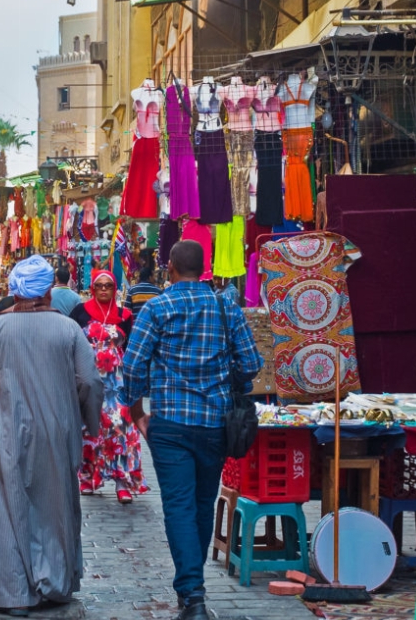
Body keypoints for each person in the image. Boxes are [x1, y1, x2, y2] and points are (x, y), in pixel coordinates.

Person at [0, 255, 103, 617]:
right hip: (58, 431)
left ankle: (15, 592)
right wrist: (89, 422)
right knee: (57, 506)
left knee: (10, 505)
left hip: (7, 432)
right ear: (49, 290)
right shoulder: (68, 329)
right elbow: (91, 382)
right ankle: (55, 584)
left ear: (14, 291)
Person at [121, 241, 263, 620]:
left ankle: (193, 594)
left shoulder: (157, 308)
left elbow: (133, 365)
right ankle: (192, 590)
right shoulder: (224, 306)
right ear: (205, 269)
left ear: (170, 268)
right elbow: (251, 362)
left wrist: (136, 410)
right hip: (214, 422)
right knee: (201, 505)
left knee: (179, 507)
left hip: (170, 423)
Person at [69, 270, 145, 502]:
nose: (104, 289)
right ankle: (87, 478)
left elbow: (132, 348)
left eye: (108, 286)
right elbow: (69, 343)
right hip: (88, 379)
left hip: (117, 383)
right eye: (99, 285)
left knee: (120, 430)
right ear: (93, 288)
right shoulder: (80, 312)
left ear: (114, 289)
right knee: (89, 429)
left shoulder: (125, 315)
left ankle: (122, 482)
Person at [125, 249, 163, 313]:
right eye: (153, 276)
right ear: (150, 277)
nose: (155, 279)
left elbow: (126, 310)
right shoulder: (158, 291)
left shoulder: (132, 290)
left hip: (136, 322)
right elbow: (161, 310)